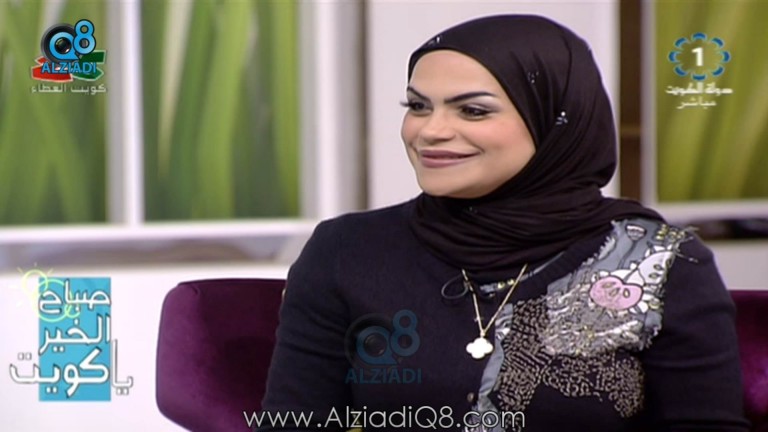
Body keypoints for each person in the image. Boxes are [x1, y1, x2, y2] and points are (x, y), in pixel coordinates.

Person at [258, 15, 748, 431]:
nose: (430, 131)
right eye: (418, 106)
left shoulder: (661, 261)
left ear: (554, 120)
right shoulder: (348, 249)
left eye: (473, 110)